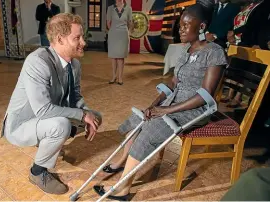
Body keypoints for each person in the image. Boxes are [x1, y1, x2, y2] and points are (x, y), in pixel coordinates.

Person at [94, 3, 227, 200]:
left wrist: (166, 111)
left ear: (201, 27)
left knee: (150, 129)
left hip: (195, 110)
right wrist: (154, 105)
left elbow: (205, 95)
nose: (179, 29)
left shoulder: (213, 52)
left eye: (185, 25)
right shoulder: (187, 50)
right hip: (174, 104)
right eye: (180, 24)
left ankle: (123, 188)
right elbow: (173, 83)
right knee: (141, 117)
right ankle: (122, 161)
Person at [1, 13, 102, 195]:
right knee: (61, 125)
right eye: (77, 38)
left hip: (46, 118)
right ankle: (37, 172)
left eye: (82, 37)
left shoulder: (75, 65)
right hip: (23, 123)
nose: (83, 43)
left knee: (95, 117)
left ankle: (51, 142)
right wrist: (81, 115)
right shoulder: (38, 61)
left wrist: (86, 112)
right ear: (60, 39)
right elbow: (43, 109)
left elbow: (75, 96)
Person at [222, 0, 270, 107]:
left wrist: (261, 44)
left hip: (253, 43)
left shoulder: (263, 5)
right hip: (242, 42)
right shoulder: (251, 6)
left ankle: (238, 97)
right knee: (235, 69)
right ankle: (230, 95)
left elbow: (254, 25)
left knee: (246, 74)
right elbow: (245, 24)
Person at [107, 0, 132, 85]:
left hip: (123, 34)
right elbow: (108, 23)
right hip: (113, 34)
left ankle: (120, 78)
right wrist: (114, 30)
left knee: (121, 57)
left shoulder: (128, 9)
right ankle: (114, 76)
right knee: (113, 57)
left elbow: (130, 22)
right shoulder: (110, 8)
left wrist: (126, 31)